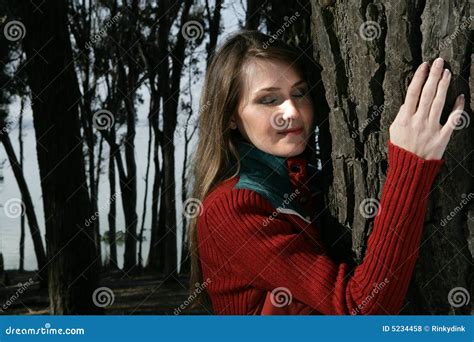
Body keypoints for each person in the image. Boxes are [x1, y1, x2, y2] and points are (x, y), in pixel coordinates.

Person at [186, 30, 465, 315]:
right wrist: (412, 165)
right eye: (268, 100)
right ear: (231, 116)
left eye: (299, 92)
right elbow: (361, 311)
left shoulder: (313, 186)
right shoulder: (232, 209)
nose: (292, 111)